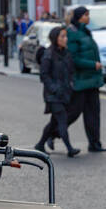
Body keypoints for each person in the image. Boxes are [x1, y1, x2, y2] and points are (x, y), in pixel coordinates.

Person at [33, 26, 79, 157]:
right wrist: (54, 88)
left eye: (66, 36)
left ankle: (40, 144)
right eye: (62, 36)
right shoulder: (48, 54)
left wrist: (71, 84)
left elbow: (71, 71)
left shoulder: (66, 52)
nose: (66, 39)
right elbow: (44, 75)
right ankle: (70, 148)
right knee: (62, 120)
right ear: (55, 38)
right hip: (53, 96)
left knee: (54, 122)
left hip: (65, 94)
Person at [66, 6, 106, 152]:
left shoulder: (86, 32)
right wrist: (92, 65)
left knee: (93, 114)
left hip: (92, 81)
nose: (88, 17)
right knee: (73, 113)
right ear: (79, 17)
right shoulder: (73, 33)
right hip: (80, 81)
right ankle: (53, 133)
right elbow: (74, 58)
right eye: (86, 15)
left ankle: (95, 143)